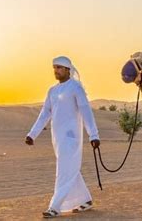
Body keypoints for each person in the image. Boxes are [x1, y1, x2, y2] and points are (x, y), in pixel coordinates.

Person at [25, 56, 100, 218]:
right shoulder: (52, 91)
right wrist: (32, 134)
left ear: (68, 70)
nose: (56, 70)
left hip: (72, 138)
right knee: (70, 169)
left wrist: (93, 135)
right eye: (54, 67)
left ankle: (55, 207)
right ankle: (85, 200)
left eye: (59, 67)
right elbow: (45, 113)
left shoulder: (75, 88)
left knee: (63, 171)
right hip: (57, 139)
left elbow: (86, 111)